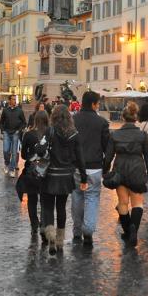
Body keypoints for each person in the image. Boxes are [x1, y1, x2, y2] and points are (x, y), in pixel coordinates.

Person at [104, 102, 148, 247]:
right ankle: (133, 230)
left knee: (122, 203)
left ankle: (127, 231)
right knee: (137, 203)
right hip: (137, 170)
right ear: (135, 118)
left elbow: (108, 157)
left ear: (123, 117)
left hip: (120, 170)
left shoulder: (115, 134)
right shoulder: (142, 135)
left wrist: (105, 172)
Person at [40, 104, 86, 255]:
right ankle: (59, 241)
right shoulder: (74, 133)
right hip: (66, 175)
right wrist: (84, 177)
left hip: (50, 174)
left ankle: (51, 235)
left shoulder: (50, 131)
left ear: (53, 117)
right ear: (69, 117)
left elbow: (40, 150)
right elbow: (80, 157)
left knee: (47, 206)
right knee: (61, 207)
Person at [71, 91, 110, 246]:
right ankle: (88, 230)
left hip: (75, 167)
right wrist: (106, 168)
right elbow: (107, 147)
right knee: (92, 198)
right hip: (94, 167)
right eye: (98, 103)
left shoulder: (73, 120)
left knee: (77, 196)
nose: (98, 106)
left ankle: (77, 230)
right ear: (94, 104)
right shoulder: (102, 122)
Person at [20, 110, 50, 239]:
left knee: (32, 199)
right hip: (46, 171)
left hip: (31, 171)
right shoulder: (50, 134)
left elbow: (22, 155)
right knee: (44, 199)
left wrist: (31, 157)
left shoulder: (28, 134)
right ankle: (43, 224)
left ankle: (34, 224)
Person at [0, 94, 26, 177]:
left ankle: (12, 169)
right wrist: (2, 130)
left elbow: (24, 123)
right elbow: (1, 122)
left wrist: (19, 130)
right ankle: (7, 163)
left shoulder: (19, 111)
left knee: (14, 153)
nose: (15, 101)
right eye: (13, 99)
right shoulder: (5, 110)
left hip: (15, 133)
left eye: (15, 99)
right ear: (9, 100)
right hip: (7, 132)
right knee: (6, 150)